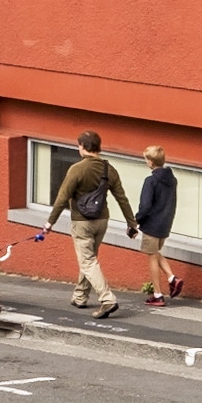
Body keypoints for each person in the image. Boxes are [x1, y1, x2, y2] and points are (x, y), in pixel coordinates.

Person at [44, 130, 136, 319]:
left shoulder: (77, 169)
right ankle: (80, 296)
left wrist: (50, 222)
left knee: (87, 261)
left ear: (83, 147)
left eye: (79, 145)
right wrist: (131, 223)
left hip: (82, 222)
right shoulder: (108, 169)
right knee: (89, 259)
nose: (78, 148)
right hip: (102, 221)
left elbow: (62, 198)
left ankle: (107, 299)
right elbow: (122, 198)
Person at [136, 145, 180, 305]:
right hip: (165, 224)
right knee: (154, 252)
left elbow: (145, 205)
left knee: (152, 257)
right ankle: (172, 278)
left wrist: (137, 220)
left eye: (146, 159)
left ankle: (157, 294)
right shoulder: (172, 180)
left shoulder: (151, 181)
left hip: (152, 225)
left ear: (151, 162)